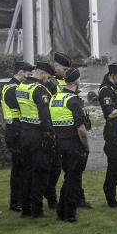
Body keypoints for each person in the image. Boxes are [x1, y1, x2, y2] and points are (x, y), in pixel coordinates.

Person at [50, 67, 92, 222]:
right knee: (73, 181)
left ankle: (61, 211)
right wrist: (86, 146)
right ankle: (69, 214)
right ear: (76, 80)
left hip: (59, 143)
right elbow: (81, 129)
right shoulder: (73, 101)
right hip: (73, 144)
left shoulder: (55, 97)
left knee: (68, 178)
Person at [14, 61, 55, 218]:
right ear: (42, 73)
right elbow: (45, 117)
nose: (49, 80)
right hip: (39, 136)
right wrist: (51, 134)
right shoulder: (40, 90)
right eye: (48, 77)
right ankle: (37, 210)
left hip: (25, 133)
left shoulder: (22, 86)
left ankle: (25, 208)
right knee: (40, 173)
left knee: (27, 172)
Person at [1, 60, 33, 212]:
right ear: (21, 72)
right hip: (15, 132)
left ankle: (22, 199)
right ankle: (16, 202)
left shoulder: (15, 87)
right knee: (19, 170)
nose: (29, 76)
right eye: (28, 74)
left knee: (22, 168)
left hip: (17, 131)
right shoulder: (12, 89)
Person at [98, 61, 117, 208]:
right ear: (112, 75)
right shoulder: (105, 90)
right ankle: (110, 196)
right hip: (113, 133)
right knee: (115, 167)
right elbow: (109, 114)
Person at [45, 52, 72, 209]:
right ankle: (51, 196)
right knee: (53, 167)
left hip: (63, 128)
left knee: (64, 167)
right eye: (64, 68)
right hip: (54, 128)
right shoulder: (51, 82)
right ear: (56, 66)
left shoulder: (63, 80)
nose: (67, 71)